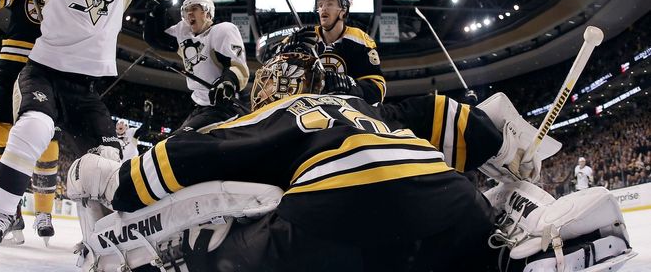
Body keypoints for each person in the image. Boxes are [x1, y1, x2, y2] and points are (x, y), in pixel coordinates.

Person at [68, 51, 582, 271]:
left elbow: (186, 157)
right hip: (451, 205)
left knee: (210, 248)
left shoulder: (279, 114)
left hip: (335, 221)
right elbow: (463, 120)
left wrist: (116, 185)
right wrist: (512, 153)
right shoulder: (372, 108)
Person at [0, 0, 162, 244]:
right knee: (33, 128)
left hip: (85, 89)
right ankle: (2, 212)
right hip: (44, 74)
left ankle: (100, 236)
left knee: (109, 159)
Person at [0, 0, 61, 243]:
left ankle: (43, 213)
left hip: (47, 69)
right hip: (12, 63)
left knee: (48, 142)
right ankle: (9, 209)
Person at [144, 0, 249, 132]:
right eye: (186, 11)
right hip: (199, 106)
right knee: (174, 141)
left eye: (195, 8)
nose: (189, 13)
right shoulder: (184, 33)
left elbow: (237, 66)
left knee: (177, 143)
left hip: (223, 106)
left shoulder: (222, 31)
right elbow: (155, 38)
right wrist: (159, 6)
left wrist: (227, 83)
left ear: (207, 12)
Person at [280, 0, 386, 104]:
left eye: (329, 4)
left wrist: (350, 85)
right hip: (306, 111)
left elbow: (377, 91)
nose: (323, 8)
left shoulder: (360, 40)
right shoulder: (303, 36)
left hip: (346, 113)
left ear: (343, 11)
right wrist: (285, 53)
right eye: (320, 5)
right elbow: (269, 70)